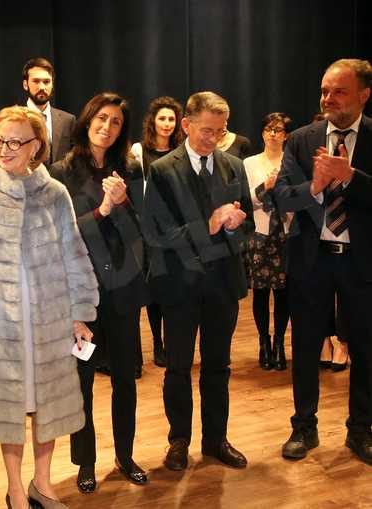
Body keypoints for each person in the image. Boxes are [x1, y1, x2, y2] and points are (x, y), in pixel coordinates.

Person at [0, 105, 98, 509]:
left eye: (16, 141)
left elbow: (74, 254)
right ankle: (15, 487)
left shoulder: (54, 194)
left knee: (47, 403)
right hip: (0, 323)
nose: (6, 149)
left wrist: (81, 311)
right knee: (10, 408)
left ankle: (42, 484)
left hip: (48, 318)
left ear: (37, 146)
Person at [142, 91, 254, 472]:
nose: (213, 139)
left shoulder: (234, 166)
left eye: (220, 132)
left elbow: (249, 225)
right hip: (179, 287)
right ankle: (179, 440)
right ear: (186, 125)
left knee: (218, 366)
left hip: (223, 283)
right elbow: (156, 233)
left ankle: (215, 439)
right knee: (177, 367)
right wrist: (205, 226)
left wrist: (238, 225)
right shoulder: (161, 169)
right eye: (206, 131)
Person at [274, 58, 372, 465]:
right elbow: (279, 195)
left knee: (365, 347)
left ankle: (362, 431)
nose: (328, 98)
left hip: (362, 262)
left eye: (339, 91)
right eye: (324, 90)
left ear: (364, 95)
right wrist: (312, 186)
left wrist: (351, 178)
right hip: (311, 260)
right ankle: (303, 427)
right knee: (307, 344)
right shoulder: (302, 138)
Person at [50, 92, 148, 493]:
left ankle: (124, 456)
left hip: (122, 291)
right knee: (82, 382)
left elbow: (142, 230)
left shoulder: (131, 169)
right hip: (80, 297)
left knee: (125, 378)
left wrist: (122, 206)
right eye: (102, 118)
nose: (107, 127)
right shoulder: (60, 171)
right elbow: (61, 233)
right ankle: (85, 462)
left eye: (116, 123)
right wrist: (103, 210)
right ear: (88, 119)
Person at [131, 96, 185, 368]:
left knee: (174, 286)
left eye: (171, 119)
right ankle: (157, 343)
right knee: (154, 288)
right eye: (162, 118)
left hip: (178, 229)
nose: (166, 124)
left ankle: (172, 339)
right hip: (151, 229)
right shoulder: (140, 151)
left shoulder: (183, 150)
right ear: (153, 121)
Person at [243, 113, 293, 371]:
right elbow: (246, 199)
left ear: (286, 134)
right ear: (262, 133)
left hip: (286, 233)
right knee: (261, 293)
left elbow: (299, 196)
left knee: (284, 293)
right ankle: (264, 342)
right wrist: (267, 185)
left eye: (278, 129)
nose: (273, 134)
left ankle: (280, 344)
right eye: (268, 129)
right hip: (260, 233)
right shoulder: (249, 163)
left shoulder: (293, 161)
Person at [22, 57, 75, 164]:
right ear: (25, 84)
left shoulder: (68, 120)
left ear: (52, 84)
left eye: (46, 82)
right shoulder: (13, 119)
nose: (42, 87)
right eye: (36, 81)